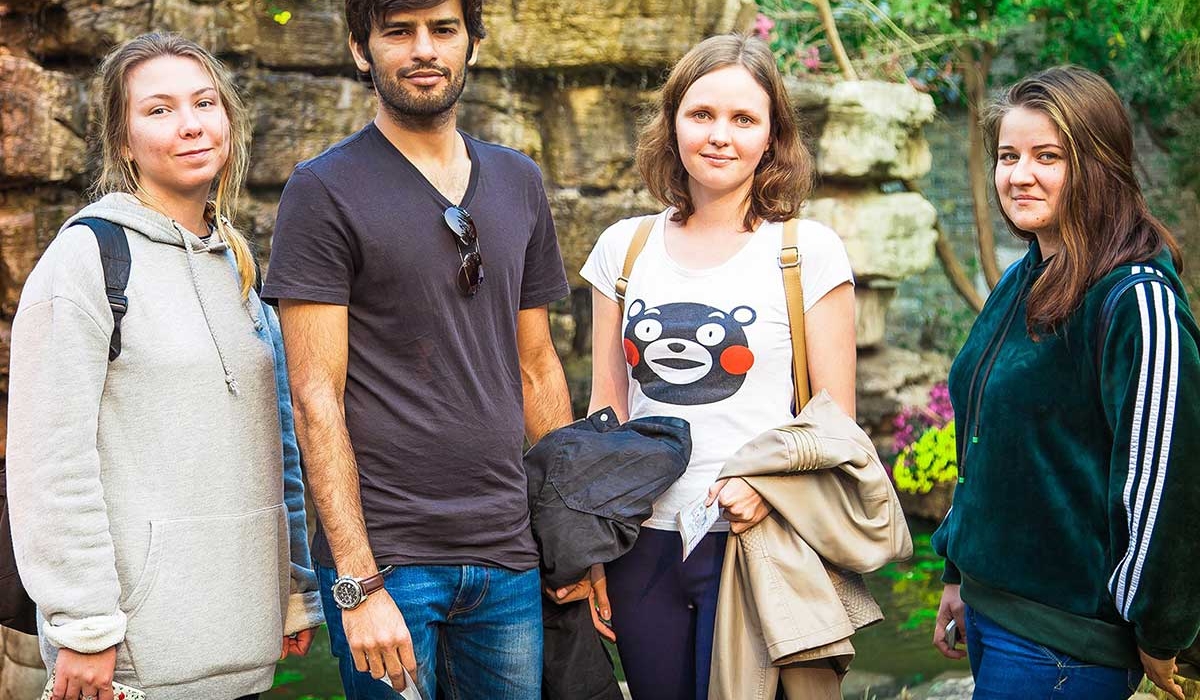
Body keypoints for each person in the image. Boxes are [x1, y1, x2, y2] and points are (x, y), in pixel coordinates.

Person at [260, 0, 573, 697]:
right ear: (360, 49)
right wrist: (358, 581)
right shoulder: (323, 190)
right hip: (391, 563)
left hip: (509, 555)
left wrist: (574, 541)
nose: (423, 49)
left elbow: (537, 366)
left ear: (473, 42)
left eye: (443, 29)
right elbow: (314, 398)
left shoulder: (519, 180)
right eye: (398, 32)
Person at [5, 32, 322, 700]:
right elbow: (48, 464)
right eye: (158, 110)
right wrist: (86, 625)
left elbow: (280, 444)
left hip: (242, 650)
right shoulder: (87, 260)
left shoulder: (237, 263)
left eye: (204, 103)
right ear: (121, 140)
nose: (189, 125)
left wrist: (296, 583)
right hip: (131, 663)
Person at [579, 34, 858, 700]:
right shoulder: (624, 247)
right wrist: (589, 545)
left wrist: (766, 487)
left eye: (743, 119)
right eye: (701, 114)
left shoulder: (807, 251)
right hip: (642, 545)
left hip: (759, 538)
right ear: (672, 123)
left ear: (772, 137)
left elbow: (836, 422)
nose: (719, 135)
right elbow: (605, 410)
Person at [930, 65, 1200, 700]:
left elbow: (1165, 482)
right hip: (994, 611)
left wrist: (1160, 632)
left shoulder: (1138, 302)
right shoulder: (1019, 281)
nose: (1019, 175)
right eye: (1007, 156)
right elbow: (984, 442)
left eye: (1046, 156)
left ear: (1098, 164)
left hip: (1065, 643)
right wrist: (957, 572)